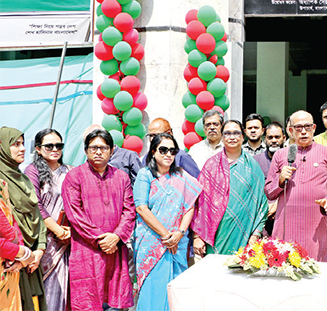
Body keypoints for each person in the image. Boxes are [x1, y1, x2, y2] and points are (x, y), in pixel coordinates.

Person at [62, 128, 135, 311]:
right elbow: (74, 214)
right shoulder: (74, 176)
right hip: (86, 251)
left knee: (114, 303)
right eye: (93, 148)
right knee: (88, 302)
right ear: (86, 151)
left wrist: (116, 237)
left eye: (103, 148)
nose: (98, 152)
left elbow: (130, 211)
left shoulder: (121, 177)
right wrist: (102, 239)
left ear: (111, 151)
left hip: (115, 252)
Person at [134, 132, 200, 311]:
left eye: (173, 150)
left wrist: (178, 233)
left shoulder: (181, 175)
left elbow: (190, 206)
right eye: (163, 150)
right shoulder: (145, 174)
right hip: (152, 243)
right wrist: (166, 235)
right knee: (152, 291)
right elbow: (141, 208)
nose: (168, 154)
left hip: (177, 243)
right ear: (153, 151)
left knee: (175, 291)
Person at [265, 110, 327, 261]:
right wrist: (280, 180)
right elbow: (269, 191)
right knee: (284, 268)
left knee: (314, 269)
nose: (303, 132)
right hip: (286, 224)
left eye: (307, 127)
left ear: (314, 128)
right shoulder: (280, 155)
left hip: (315, 225)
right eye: (298, 128)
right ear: (290, 131)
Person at [192, 120, 268, 256]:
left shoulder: (253, 166)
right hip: (216, 234)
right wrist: (197, 237)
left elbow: (262, 204)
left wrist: (255, 235)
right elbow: (199, 203)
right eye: (227, 133)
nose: (232, 137)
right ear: (221, 137)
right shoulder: (211, 165)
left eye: (236, 133)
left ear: (243, 136)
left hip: (244, 232)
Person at [0, 127, 47, 311]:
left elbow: (38, 214)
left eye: (22, 144)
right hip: (11, 261)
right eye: (15, 144)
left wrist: (39, 250)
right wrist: (20, 255)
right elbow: (6, 221)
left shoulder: (24, 178)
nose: (22, 149)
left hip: (31, 257)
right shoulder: (1, 180)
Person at [24, 129, 71, 311]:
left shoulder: (69, 171)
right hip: (43, 240)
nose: (55, 149)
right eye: (49, 146)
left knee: (62, 289)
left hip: (65, 241)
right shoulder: (33, 170)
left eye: (58, 145)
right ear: (38, 149)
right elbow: (36, 205)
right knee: (45, 290)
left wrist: (68, 231)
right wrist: (58, 231)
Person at [0, 176, 35, 310]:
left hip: (9, 267)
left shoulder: (2, 183)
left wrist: (20, 251)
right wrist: (19, 252)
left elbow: (9, 217)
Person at [255, 123, 286, 236]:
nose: (274, 140)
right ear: (264, 139)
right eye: (270, 137)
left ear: (284, 138)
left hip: (286, 217)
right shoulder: (255, 162)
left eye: (277, 137)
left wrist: (277, 204)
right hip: (262, 219)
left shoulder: (293, 160)